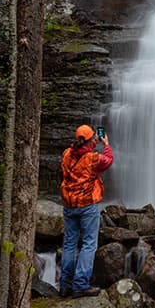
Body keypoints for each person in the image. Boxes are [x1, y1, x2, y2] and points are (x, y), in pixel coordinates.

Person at [59, 124, 113, 298]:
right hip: (87, 205)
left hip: (69, 205)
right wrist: (106, 144)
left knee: (69, 244)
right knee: (89, 244)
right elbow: (108, 160)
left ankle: (65, 285)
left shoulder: (67, 154)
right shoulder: (92, 158)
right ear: (91, 140)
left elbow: (80, 153)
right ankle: (81, 284)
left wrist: (91, 145)